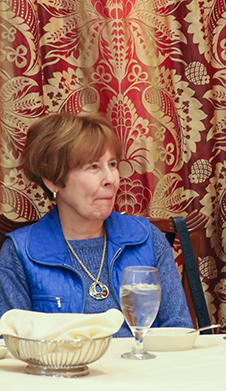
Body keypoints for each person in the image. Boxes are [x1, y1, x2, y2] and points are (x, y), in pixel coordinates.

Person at [0, 113, 192, 337]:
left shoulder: (147, 238)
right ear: (52, 180)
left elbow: (179, 331)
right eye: (93, 166)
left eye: (112, 164)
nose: (110, 179)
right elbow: (10, 346)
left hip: (143, 360)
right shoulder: (20, 252)